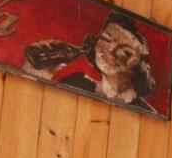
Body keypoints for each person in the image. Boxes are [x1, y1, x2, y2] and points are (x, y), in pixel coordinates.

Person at [22, 13, 157, 113]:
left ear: (142, 67)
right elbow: (32, 108)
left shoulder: (145, 112)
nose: (110, 50)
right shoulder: (76, 82)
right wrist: (41, 71)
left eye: (126, 52)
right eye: (106, 39)